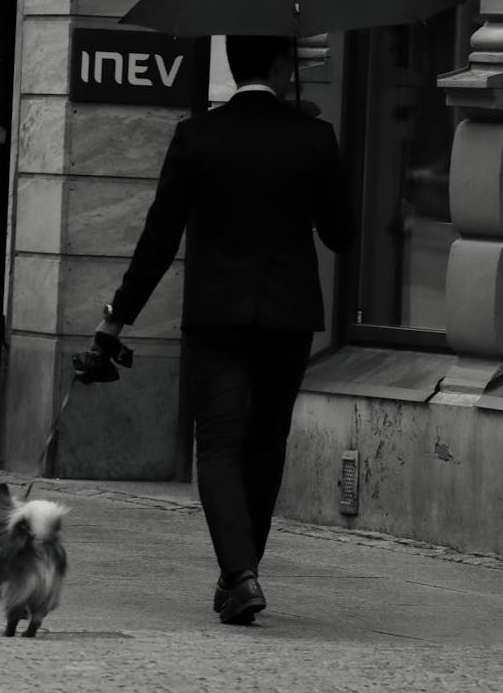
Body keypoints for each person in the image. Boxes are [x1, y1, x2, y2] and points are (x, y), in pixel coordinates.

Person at [93, 34, 356, 625]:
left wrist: (115, 319)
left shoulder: (197, 137)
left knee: (216, 444)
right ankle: (240, 574)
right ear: (284, 65)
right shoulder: (314, 138)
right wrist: (313, 173)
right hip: (288, 317)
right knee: (265, 444)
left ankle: (240, 574)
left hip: (215, 317)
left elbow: (159, 239)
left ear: (234, 66)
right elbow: (343, 232)